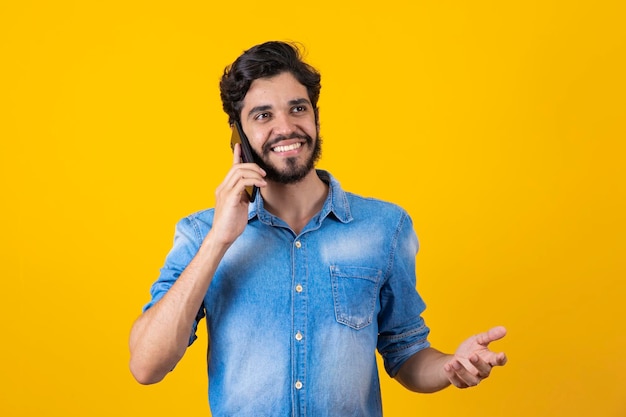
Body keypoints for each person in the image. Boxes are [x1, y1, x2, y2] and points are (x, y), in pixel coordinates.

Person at [129, 40, 507, 416]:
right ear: (238, 136)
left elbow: (405, 353)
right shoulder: (201, 234)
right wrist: (219, 241)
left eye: (298, 108)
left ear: (315, 116)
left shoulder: (385, 227)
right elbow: (146, 366)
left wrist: (448, 367)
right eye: (263, 115)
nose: (286, 127)